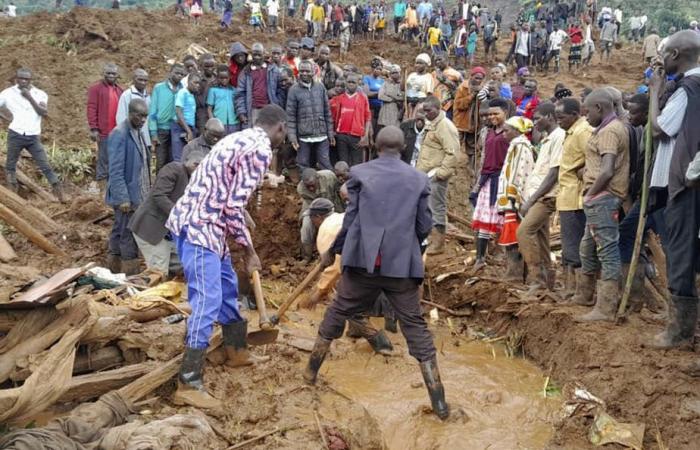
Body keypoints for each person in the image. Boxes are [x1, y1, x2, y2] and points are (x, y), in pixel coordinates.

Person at [303, 126, 449, 421]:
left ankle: (309, 374)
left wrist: (334, 251)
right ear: (404, 146)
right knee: (415, 326)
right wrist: (406, 245)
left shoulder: (359, 173)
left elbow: (352, 220)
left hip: (363, 263)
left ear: (374, 145)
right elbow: (424, 225)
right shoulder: (419, 179)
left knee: (338, 310)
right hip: (400, 267)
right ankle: (440, 404)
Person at [166, 104, 287, 408]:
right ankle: (189, 382)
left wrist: (240, 212)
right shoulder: (260, 151)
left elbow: (224, 190)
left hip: (206, 222)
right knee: (206, 300)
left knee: (227, 286)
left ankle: (236, 350)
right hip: (200, 226)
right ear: (280, 129)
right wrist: (249, 252)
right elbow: (231, 207)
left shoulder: (238, 138)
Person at [647, 30, 700, 349]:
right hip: (690, 177)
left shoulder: (690, 88)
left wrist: (654, 92)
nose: (661, 59)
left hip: (685, 183)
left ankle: (678, 334)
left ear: (677, 55)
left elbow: (659, 128)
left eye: (665, 53)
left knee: (681, 251)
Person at [301, 197, 396, 351]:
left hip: (369, 265)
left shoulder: (327, 230)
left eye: (312, 219)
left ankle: (383, 346)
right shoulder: (341, 218)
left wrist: (319, 292)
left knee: (349, 307)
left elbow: (336, 267)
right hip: (387, 261)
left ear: (317, 217)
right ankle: (355, 331)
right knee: (358, 298)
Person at [574, 88, 629, 322]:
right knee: (587, 247)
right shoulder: (608, 129)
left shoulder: (609, 132)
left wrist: (591, 195)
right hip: (600, 197)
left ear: (599, 108)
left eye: (587, 111)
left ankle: (605, 309)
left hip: (603, 198)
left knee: (607, 251)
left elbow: (606, 170)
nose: (585, 117)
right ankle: (585, 295)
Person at [129, 151, 204, 277]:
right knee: (158, 272)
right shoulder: (174, 169)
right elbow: (159, 196)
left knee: (184, 264)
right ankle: (147, 295)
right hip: (151, 230)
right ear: (195, 164)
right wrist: (180, 215)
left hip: (167, 234)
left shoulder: (191, 179)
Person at [517, 102, 565, 292]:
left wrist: (531, 199)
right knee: (542, 237)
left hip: (547, 196)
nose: (534, 122)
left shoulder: (559, 137)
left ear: (550, 117)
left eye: (538, 118)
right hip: (540, 195)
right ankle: (548, 281)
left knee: (524, 231)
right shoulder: (548, 138)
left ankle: (537, 279)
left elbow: (554, 173)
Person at [0, 68, 65, 202]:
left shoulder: (40, 94)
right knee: (10, 165)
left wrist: (29, 97)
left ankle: (60, 193)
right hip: (15, 134)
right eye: (20, 78)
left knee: (45, 165)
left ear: (31, 80)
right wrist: (5, 117)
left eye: (26, 79)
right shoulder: (7, 93)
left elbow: (42, 112)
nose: (23, 81)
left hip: (33, 137)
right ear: (16, 79)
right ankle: (13, 196)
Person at [105, 99, 151, 276]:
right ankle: (131, 271)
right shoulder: (120, 133)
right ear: (130, 113)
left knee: (120, 229)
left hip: (137, 192)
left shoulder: (137, 131)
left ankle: (114, 268)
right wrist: (123, 197)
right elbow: (115, 170)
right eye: (140, 116)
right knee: (128, 233)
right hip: (127, 195)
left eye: (145, 116)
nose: (143, 120)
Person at [555, 97, 591, 298]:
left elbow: (594, 157)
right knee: (569, 245)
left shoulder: (582, 132)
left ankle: (578, 291)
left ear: (575, 115)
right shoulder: (571, 132)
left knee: (574, 246)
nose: (558, 121)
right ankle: (570, 289)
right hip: (567, 195)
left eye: (561, 117)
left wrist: (583, 173)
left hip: (576, 197)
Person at [416, 95, 459, 255]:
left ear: (438, 108)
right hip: (427, 174)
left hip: (436, 173)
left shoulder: (445, 126)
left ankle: (439, 243)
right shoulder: (433, 124)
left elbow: (453, 152)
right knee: (427, 207)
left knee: (436, 208)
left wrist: (441, 174)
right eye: (424, 111)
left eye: (428, 110)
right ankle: (430, 238)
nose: (426, 114)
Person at [470, 98, 510, 269]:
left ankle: (503, 256)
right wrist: (478, 182)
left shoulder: (510, 133)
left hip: (502, 181)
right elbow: (483, 157)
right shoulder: (487, 132)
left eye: (496, 114)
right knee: (485, 219)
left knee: (503, 219)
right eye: (490, 114)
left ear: (505, 113)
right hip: (486, 179)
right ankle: (480, 258)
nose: (492, 117)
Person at [495, 116, 535, 282]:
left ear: (517, 131)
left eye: (507, 130)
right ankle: (518, 273)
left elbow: (517, 175)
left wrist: (512, 199)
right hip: (512, 199)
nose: (503, 134)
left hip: (513, 200)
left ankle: (515, 275)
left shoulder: (519, 147)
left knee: (513, 238)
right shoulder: (517, 145)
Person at [286, 60, 335, 171]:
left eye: (307, 71)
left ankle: (330, 186)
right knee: (303, 164)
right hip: (304, 136)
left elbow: (327, 112)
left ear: (313, 72)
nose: (304, 73)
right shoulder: (293, 90)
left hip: (321, 133)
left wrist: (330, 133)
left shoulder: (320, 87)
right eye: (301, 71)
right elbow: (291, 116)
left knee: (325, 164)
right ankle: (306, 186)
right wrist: (293, 137)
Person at [87, 63, 123, 186]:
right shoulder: (95, 89)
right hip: (104, 132)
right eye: (108, 73)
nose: (111, 76)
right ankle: (101, 191)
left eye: (113, 73)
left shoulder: (120, 90)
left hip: (117, 132)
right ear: (103, 74)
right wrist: (94, 128)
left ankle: (112, 189)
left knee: (115, 161)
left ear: (117, 75)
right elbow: (91, 108)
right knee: (103, 160)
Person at [298, 168, 343, 260]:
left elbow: (340, 192)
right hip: (314, 207)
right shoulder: (301, 189)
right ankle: (307, 256)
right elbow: (313, 207)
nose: (311, 188)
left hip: (334, 205)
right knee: (306, 225)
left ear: (317, 179)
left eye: (312, 185)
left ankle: (336, 253)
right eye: (308, 186)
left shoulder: (329, 177)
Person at [149, 64, 186, 174]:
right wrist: (153, 132)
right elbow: (153, 111)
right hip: (162, 130)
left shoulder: (183, 90)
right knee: (161, 161)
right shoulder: (159, 88)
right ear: (170, 72)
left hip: (177, 130)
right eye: (176, 73)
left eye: (181, 74)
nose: (179, 76)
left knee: (174, 160)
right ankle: (158, 188)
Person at [235, 43, 281, 129]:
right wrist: (241, 112)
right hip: (253, 110)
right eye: (254, 55)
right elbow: (240, 94)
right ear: (251, 55)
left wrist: (277, 105)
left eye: (259, 55)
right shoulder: (245, 72)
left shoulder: (273, 70)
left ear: (264, 54)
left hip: (269, 108)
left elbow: (280, 89)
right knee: (254, 136)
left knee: (269, 135)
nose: (256, 57)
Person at [334, 74, 372, 166]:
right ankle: (344, 180)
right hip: (341, 135)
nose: (351, 84)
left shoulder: (363, 98)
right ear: (346, 83)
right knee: (343, 162)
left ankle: (355, 180)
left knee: (356, 162)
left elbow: (367, 117)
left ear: (357, 84)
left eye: (353, 82)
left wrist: (365, 135)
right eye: (349, 82)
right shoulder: (340, 98)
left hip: (356, 136)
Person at [453, 66, 486, 169]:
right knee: (456, 144)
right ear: (471, 77)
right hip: (461, 122)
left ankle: (471, 167)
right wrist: (471, 96)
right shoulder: (463, 87)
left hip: (474, 123)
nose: (478, 80)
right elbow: (459, 105)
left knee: (472, 146)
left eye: (480, 78)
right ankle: (452, 166)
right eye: (476, 78)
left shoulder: (483, 90)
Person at [116, 69, 151, 149]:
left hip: (145, 137)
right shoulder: (127, 95)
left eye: (145, 80)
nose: (143, 82)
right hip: (131, 137)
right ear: (134, 79)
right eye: (140, 79)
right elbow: (121, 117)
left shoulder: (148, 96)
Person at [172, 73, 201, 162]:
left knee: (187, 157)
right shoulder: (182, 92)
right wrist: (189, 131)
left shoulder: (191, 95)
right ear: (188, 82)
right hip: (180, 127)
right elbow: (178, 112)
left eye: (198, 83)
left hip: (189, 128)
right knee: (179, 157)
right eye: (195, 83)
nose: (197, 85)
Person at [207, 64, 239, 134]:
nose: (224, 80)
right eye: (221, 78)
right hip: (219, 122)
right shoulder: (213, 90)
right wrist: (213, 122)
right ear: (217, 78)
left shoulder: (234, 90)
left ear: (230, 77)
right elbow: (209, 109)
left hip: (234, 123)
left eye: (226, 78)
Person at [432, 53, 463, 119]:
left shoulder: (455, 74)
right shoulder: (433, 73)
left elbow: (461, 89)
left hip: (449, 105)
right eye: (436, 60)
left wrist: (446, 81)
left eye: (440, 59)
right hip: (435, 105)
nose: (437, 62)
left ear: (447, 60)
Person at [405, 53, 434, 119]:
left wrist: (424, 107)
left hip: (420, 105)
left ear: (426, 65)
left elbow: (429, 94)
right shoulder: (411, 75)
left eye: (420, 63)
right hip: (409, 105)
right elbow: (403, 88)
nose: (417, 65)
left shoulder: (428, 77)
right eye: (416, 63)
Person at [362, 61, 385, 134]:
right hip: (370, 106)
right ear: (372, 68)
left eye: (381, 69)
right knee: (370, 126)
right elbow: (366, 93)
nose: (379, 71)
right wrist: (379, 94)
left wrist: (377, 94)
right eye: (377, 69)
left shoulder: (382, 81)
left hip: (380, 106)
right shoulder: (366, 78)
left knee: (378, 128)